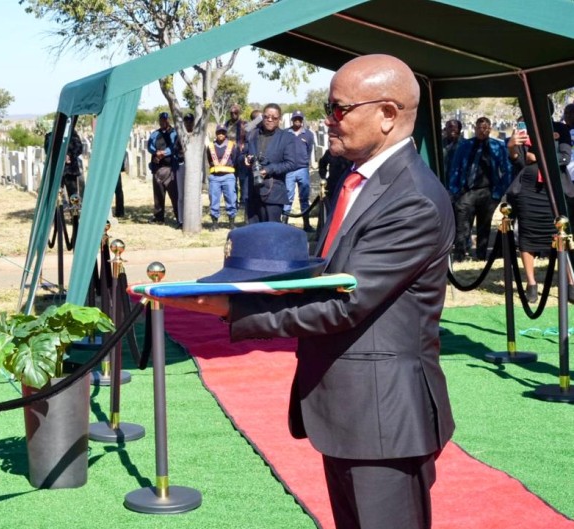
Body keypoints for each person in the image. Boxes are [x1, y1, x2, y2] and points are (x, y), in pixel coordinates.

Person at [164, 54, 455, 529]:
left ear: (386, 114)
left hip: (383, 418)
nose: (328, 119)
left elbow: (345, 303)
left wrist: (231, 309)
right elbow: (327, 272)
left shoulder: (413, 200)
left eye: (339, 109)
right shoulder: (355, 178)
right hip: (349, 411)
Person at [506, 119, 557, 303]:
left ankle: (570, 283)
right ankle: (531, 283)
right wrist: (512, 148)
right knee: (527, 236)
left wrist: (541, 158)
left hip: (553, 190)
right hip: (528, 190)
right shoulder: (522, 136)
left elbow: (565, 156)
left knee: (560, 235)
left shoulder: (558, 129)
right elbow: (519, 163)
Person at [448, 117, 511, 261]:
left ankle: (481, 255)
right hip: (467, 191)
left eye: (485, 128)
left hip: (488, 192)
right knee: (463, 225)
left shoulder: (498, 146)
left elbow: (506, 168)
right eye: (479, 128)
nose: (482, 131)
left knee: (484, 225)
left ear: (489, 129)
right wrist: (454, 189)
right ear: (475, 129)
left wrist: (501, 191)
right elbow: (455, 167)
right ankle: (460, 254)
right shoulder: (465, 145)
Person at [242, 103, 304, 223]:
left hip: (273, 193)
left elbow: (291, 163)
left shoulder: (287, 138)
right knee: (254, 233)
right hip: (252, 193)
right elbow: (241, 154)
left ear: (279, 119)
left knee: (271, 233)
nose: (270, 120)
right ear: (262, 117)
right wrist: (245, 159)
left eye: (274, 118)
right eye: (266, 117)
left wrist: (268, 170)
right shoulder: (252, 134)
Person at [147, 111, 181, 226]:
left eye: (165, 120)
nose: (163, 122)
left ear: (168, 120)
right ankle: (159, 217)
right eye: (161, 120)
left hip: (171, 169)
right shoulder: (155, 134)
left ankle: (179, 218)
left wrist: (164, 153)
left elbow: (174, 146)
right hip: (157, 169)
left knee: (174, 196)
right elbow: (149, 146)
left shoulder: (174, 133)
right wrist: (156, 152)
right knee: (158, 196)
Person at [284, 110, 316, 231]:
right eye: (295, 118)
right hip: (289, 170)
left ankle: (306, 224)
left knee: (304, 197)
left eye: (299, 119)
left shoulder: (308, 134)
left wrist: (305, 163)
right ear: (292, 120)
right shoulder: (286, 133)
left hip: (302, 169)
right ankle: (284, 223)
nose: (297, 121)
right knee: (288, 197)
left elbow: (309, 150)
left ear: (302, 120)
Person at [205, 125, 240, 231]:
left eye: (223, 132)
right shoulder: (210, 146)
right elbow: (208, 158)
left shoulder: (231, 145)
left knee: (231, 199)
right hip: (214, 177)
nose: (221, 134)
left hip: (228, 177)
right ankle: (215, 224)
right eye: (219, 132)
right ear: (216, 133)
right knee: (214, 200)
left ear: (226, 134)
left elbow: (235, 159)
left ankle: (231, 223)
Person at [225, 104, 250, 212]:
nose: (233, 114)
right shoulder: (226, 124)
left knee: (243, 179)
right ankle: (233, 201)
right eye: (231, 113)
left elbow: (250, 138)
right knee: (232, 179)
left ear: (239, 113)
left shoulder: (245, 124)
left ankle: (244, 201)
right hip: (229, 155)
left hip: (241, 155)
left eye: (235, 112)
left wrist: (244, 147)